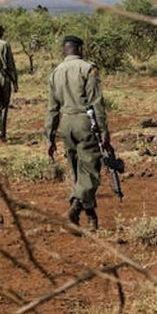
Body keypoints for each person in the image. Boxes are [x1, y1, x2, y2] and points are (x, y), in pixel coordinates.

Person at [45, 35, 110, 230]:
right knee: (90, 170)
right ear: (80, 49)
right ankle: (75, 205)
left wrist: (49, 137)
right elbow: (96, 102)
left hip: (65, 124)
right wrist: (104, 130)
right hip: (85, 122)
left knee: (77, 171)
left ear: (65, 51)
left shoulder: (55, 73)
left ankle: (91, 218)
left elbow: (51, 109)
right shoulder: (87, 69)